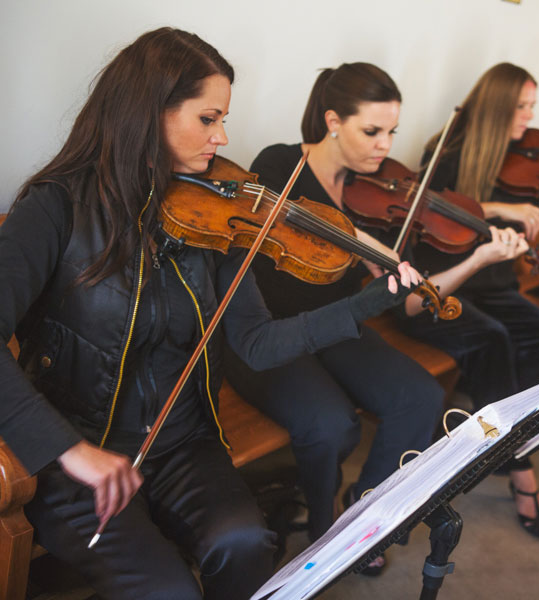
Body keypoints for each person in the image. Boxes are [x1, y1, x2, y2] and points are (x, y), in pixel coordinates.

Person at [0, 29, 418, 598]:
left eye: (224, 119)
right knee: (168, 588)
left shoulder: (215, 214)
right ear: (149, 111)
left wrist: (364, 303)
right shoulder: (56, 206)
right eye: (208, 118)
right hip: (74, 452)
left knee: (247, 544)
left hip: (180, 442)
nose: (222, 137)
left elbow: (256, 343)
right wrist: (74, 452)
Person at [223, 63, 444, 575]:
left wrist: (390, 266)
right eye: (372, 131)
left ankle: (362, 508)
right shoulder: (280, 164)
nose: (384, 145)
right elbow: (301, 222)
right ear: (332, 121)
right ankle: (323, 530)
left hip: (338, 319)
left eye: (391, 132)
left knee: (421, 397)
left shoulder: (372, 190)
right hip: (270, 332)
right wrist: (367, 245)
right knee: (330, 425)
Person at [394, 63, 539, 540]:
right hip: (448, 285)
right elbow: (427, 206)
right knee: (493, 339)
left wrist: (524, 226)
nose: (530, 116)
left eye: (532, 106)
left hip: (493, 285)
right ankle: (518, 466)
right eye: (522, 106)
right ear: (497, 107)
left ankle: (491, 433)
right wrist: (499, 209)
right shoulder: (448, 153)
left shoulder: (517, 157)